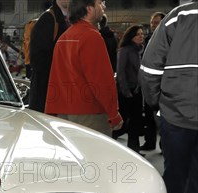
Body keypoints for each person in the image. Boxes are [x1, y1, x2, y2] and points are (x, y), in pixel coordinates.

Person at [140, 1, 198, 193]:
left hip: (176, 114)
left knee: (174, 174)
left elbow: (150, 66)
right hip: (177, 112)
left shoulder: (178, 16)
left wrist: (157, 103)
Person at [45, 0, 123, 136]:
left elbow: (55, 78)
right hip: (90, 115)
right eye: (100, 3)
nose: (104, 6)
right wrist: (113, 114)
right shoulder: (91, 37)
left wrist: (50, 110)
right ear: (89, 9)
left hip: (64, 113)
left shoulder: (64, 37)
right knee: (96, 156)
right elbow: (101, 80)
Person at [28, 0, 70, 112]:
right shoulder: (48, 19)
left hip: (63, 92)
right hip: (47, 93)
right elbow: (37, 59)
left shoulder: (74, 19)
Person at [116, 25, 145, 154]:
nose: (141, 36)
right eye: (138, 34)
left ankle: (134, 150)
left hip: (137, 91)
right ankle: (111, 142)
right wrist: (126, 91)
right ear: (131, 36)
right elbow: (120, 72)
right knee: (122, 122)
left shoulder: (139, 50)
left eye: (142, 34)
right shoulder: (125, 50)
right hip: (127, 91)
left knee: (135, 122)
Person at [140, 11, 165, 152]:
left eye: (156, 22)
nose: (153, 25)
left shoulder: (169, 39)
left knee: (162, 120)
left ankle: (164, 146)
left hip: (161, 86)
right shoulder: (149, 39)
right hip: (149, 86)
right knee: (150, 116)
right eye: (152, 22)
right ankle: (150, 143)